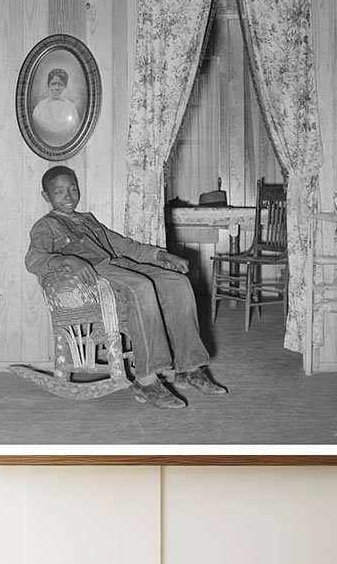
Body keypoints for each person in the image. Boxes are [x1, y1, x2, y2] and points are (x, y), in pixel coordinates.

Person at [25, 166, 227, 409]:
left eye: (72, 189)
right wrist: (68, 259)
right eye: (58, 192)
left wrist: (161, 256)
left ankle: (190, 368)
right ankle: (147, 380)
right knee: (141, 287)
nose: (68, 196)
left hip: (120, 265)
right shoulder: (45, 226)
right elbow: (34, 259)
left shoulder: (88, 220)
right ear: (46, 196)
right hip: (97, 274)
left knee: (178, 282)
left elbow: (126, 246)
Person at [31, 68, 80, 145]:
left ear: (65, 86)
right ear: (48, 85)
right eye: (54, 84)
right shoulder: (39, 108)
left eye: (60, 84)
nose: (57, 88)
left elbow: (73, 130)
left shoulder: (71, 108)